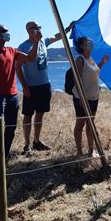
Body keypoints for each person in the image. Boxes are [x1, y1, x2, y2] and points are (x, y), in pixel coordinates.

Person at [0, 24, 41, 172]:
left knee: (11, 128)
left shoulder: (11, 51)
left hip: (12, 96)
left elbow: (31, 58)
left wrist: (37, 42)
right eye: (4, 32)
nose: (8, 34)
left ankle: (3, 157)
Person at [15, 21, 74, 155]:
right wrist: (24, 87)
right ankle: (26, 145)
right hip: (31, 86)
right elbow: (17, 67)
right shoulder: (23, 47)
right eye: (35, 28)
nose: (38, 30)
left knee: (40, 114)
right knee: (28, 115)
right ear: (29, 30)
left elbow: (56, 36)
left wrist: (68, 29)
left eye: (39, 27)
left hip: (44, 85)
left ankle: (36, 141)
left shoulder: (44, 42)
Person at [72, 36, 109, 156]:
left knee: (90, 124)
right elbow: (75, 79)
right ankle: (79, 151)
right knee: (80, 123)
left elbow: (95, 71)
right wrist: (82, 97)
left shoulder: (90, 59)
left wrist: (102, 63)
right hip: (82, 97)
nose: (90, 42)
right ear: (82, 46)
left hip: (94, 96)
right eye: (87, 41)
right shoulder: (80, 59)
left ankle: (91, 150)